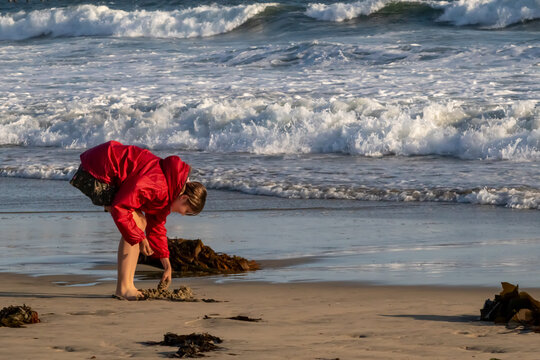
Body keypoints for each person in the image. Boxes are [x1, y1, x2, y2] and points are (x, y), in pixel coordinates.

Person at [69, 141, 206, 300]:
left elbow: (157, 227)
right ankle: (124, 288)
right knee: (138, 223)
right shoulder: (158, 185)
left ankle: (127, 286)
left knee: (140, 222)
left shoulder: (170, 190)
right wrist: (140, 238)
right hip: (98, 170)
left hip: (107, 169)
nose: (183, 215)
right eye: (186, 211)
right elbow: (121, 207)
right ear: (184, 198)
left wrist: (167, 266)